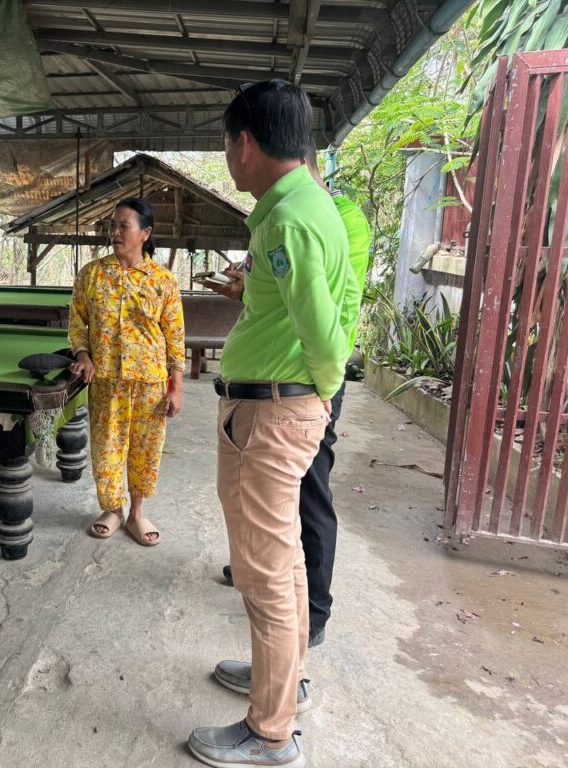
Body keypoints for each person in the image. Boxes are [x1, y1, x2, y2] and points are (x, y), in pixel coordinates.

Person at [188, 81, 358, 768]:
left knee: (262, 572)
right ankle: (282, 682)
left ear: (246, 144)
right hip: (276, 404)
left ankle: (270, 732)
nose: (229, 157)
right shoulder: (307, 206)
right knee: (282, 562)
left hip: (272, 412)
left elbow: (322, 332)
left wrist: (320, 396)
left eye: (227, 144)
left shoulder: (287, 219)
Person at [215, 145, 372, 650]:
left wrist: (326, 388)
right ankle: (289, 667)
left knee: (300, 514)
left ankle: (307, 630)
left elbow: (333, 314)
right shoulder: (304, 214)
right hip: (298, 383)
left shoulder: (301, 218)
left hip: (298, 390)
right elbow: (293, 302)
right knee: (278, 541)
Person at [68, 198, 186, 546]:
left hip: (150, 382)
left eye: (124, 226)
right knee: (106, 449)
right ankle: (112, 509)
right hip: (106, 381)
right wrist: (83, 355)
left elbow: (175, 337)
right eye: (113, 225)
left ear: (145, 233)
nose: (115, 232)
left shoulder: (163, 280)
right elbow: (77, 324)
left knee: (144, 451)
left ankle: (136, 513)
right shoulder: (92, 275)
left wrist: (176, 387)